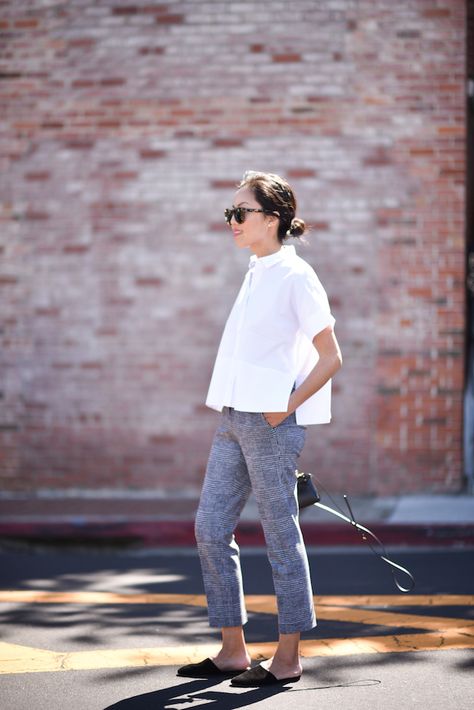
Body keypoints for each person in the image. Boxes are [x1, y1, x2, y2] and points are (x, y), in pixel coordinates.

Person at [177, 171, 342, 687]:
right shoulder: (257, 269)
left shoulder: (296, 275)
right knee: (210, 527)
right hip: (233, 417)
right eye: (231, 212)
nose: (232, 221)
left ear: (273, 218)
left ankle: (289, 658)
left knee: (279, 537)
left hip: (269, 423)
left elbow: (331, 357)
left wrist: (283, 409)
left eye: (240, 212)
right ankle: (233, 652)